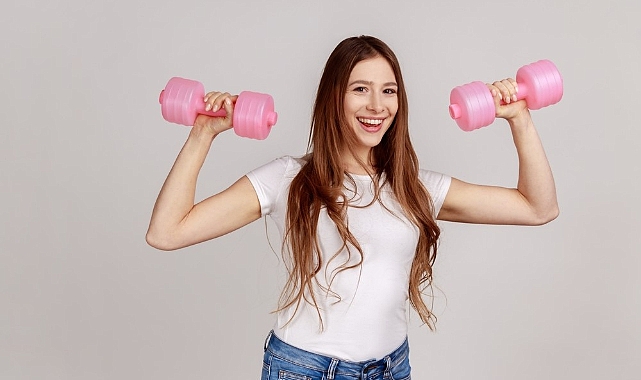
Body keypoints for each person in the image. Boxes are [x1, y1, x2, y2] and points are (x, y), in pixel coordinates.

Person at [146, 35, 558, 380]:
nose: (377, 106)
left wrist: (519, 118)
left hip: (391, 367)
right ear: (334, 98)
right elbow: (167, 232)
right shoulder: (288, 179)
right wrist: (202, 133)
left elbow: (537, 207)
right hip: (305, 369)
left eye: (388, 90)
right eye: (360, 89)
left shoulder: (415, 188)